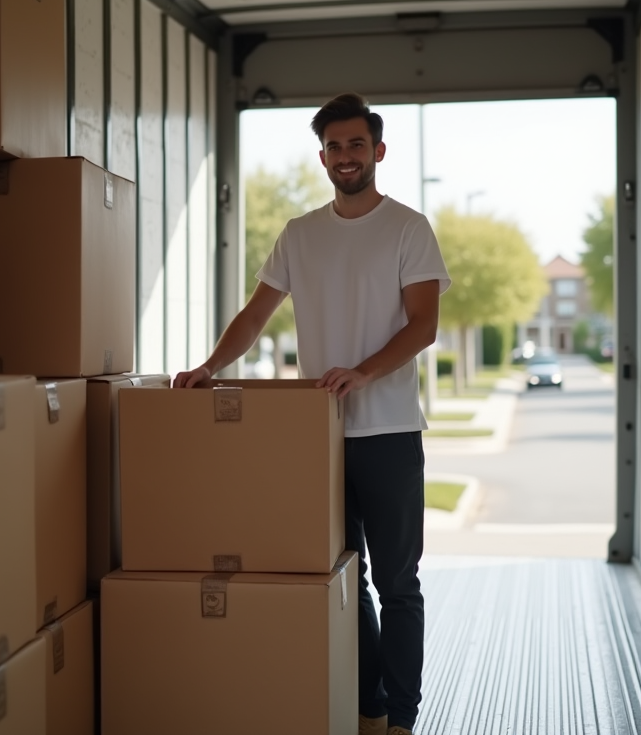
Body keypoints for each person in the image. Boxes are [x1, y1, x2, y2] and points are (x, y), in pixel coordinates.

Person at [174, 93, 451, 735]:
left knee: (397, 584)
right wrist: (211, 367)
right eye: (335, 146)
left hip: (387, 433)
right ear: (322, 156)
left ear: (377, 151)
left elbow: (424, 326)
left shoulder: (409, 228)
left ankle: (404, 719)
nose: (346, 156)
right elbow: (254, 316)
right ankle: (370, 709)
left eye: (357, 145)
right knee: (342, 581)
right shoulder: (300, 234)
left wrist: (364, 372)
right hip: (319, 438)